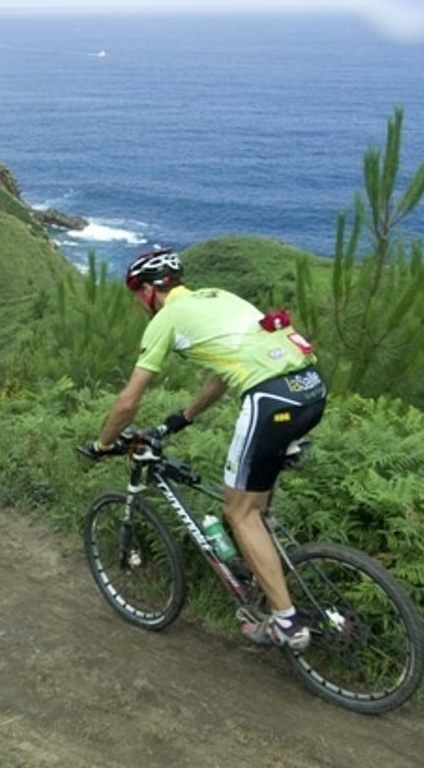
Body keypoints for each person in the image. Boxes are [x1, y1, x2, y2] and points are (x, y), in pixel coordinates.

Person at [82, 247, 327, 650]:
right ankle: (265, 579)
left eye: (137, 295)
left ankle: (286, 624)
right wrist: (185, 416)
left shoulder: (166, 319)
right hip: (311, 389)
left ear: (148, 292)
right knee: (255, 508)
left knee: (238, 511)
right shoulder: (219, 297)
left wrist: (102, 443)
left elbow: (128, 401)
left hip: (271, 399)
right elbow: (224, 372)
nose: (139, 303)